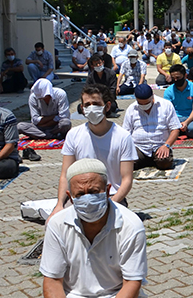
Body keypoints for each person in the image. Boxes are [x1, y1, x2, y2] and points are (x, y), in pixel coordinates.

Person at [23, 159, 149, 298]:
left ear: (107, 190)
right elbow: (52, 280)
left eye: (94, 191)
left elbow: (132, 283)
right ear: (70, 196)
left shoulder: (130, 225)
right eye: (80, 195)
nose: (87, 198)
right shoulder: (57, 224)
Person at [55, 85, 137, 216]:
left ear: (107, 106)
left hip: (112, 196)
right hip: (81, 197)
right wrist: (59, 205)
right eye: (87, 105)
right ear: (82, 109)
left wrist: (111, 204)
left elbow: (127, 179)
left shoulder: (123, 136)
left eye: (96, 103)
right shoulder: (73, 135)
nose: (91, 108)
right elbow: (65, 175)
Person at [122, 84, 180, 171]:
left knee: (165, 162)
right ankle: (146, 161)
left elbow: (175, 129)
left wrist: (166, 145)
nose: (144, 106)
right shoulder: (131, 109)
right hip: (139, 147)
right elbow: (126, 132)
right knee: (126, 164)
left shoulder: (166, 105)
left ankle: (152, 160)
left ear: (152, 96)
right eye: (141, 104)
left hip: (159, 145)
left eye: (147, 103)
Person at [163, 65, 193, 139]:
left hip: (191, 118)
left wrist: (186, 122)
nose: (175, 80)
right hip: (175, 118)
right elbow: (167, 110)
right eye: (173, 78)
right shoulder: (168, 91)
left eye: (178, 77)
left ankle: (180, 131)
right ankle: (179, 130)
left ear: (185, 75)